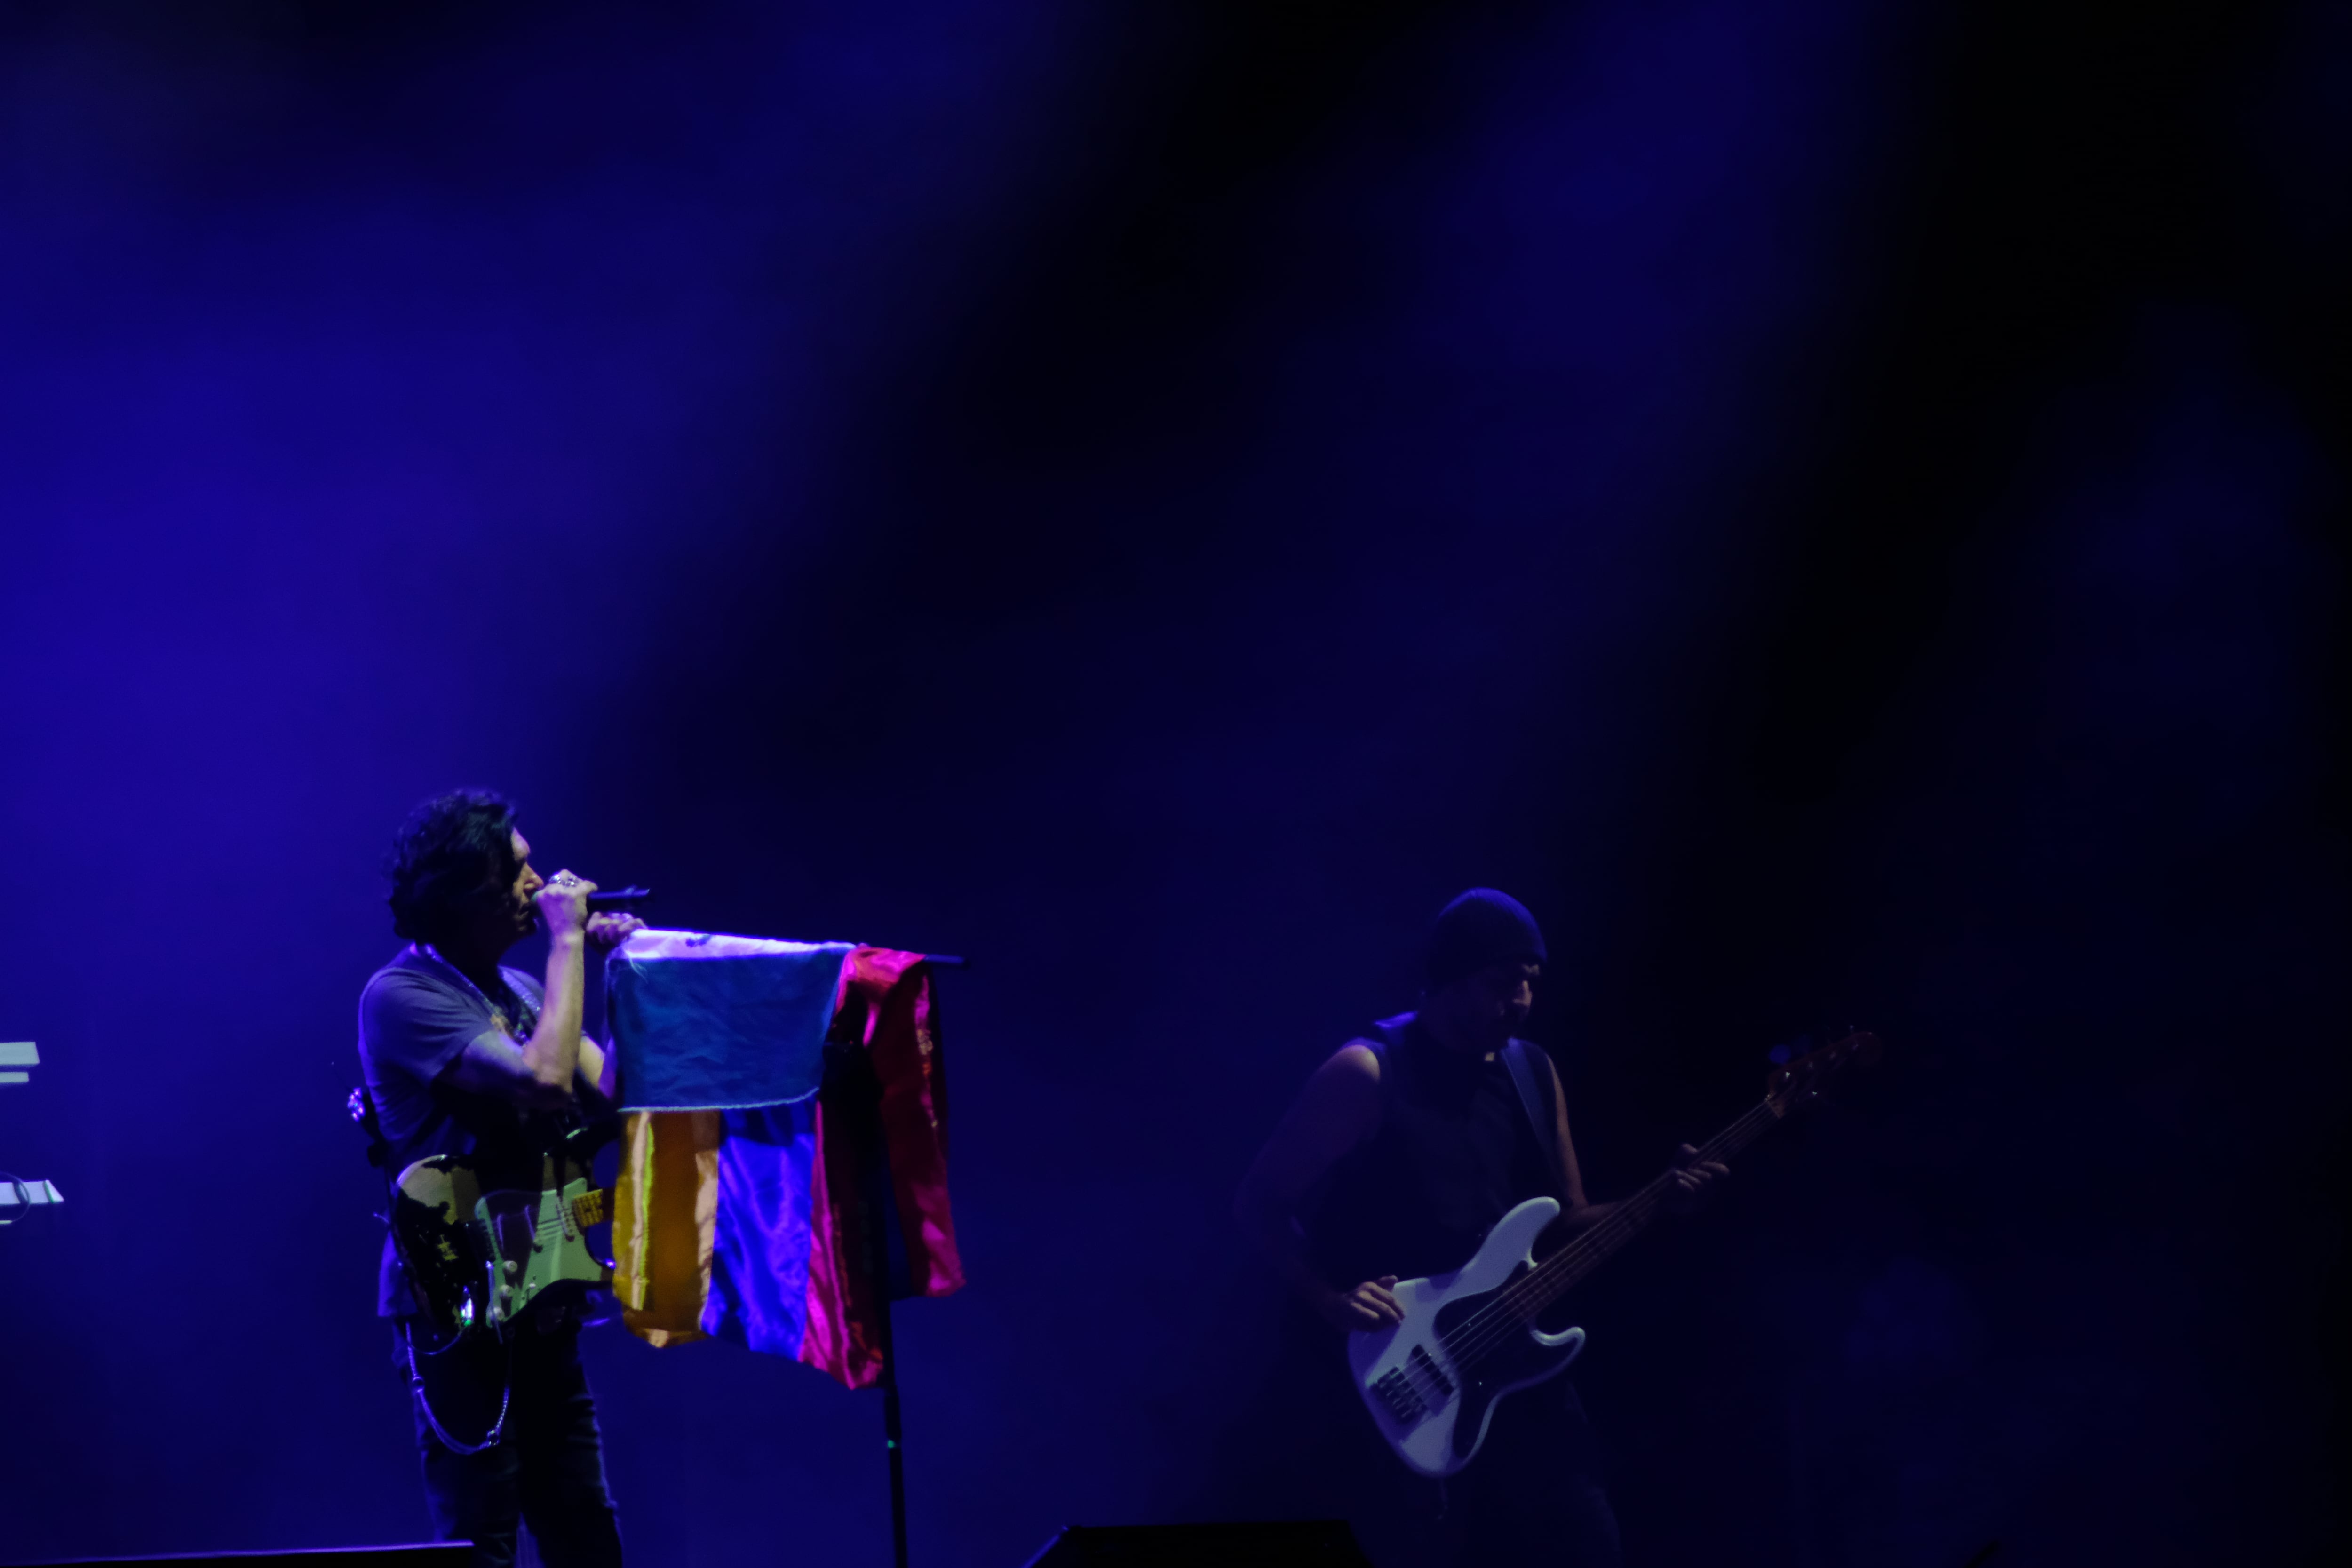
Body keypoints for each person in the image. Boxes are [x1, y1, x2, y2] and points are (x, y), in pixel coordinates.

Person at [1234, 888, 1728, 1567]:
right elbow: (1260, 1200)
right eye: (1502, 983)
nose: (1521, 1001)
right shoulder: (1368, 1071)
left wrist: (1657, 1200)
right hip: (1396, 1376)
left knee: (1585, 1546)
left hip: (1516, 1367)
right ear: (1448, 975)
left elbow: (1568, 1220)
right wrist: (1328, 1298)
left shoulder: (1530, 1070)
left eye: (1531, 983)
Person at [358, 789, 644, 1568]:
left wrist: (618, 973)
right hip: (458, 1304)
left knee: (586, 1526)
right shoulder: (402, 995)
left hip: (541, 1289)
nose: (541, 883)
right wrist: (564, 944)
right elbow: (544, 1081)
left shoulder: (519, 993)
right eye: (517, 870)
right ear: (462, 891)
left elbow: (616, 1093)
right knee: (483, 1534)